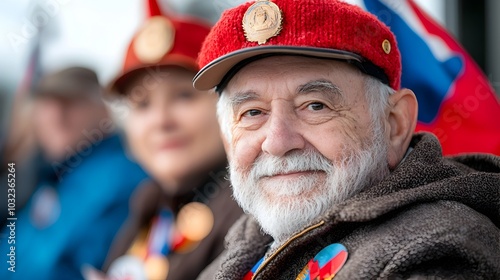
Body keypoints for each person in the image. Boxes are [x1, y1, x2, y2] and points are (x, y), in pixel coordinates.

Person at [192, 0, 500, 279]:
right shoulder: (245, 244)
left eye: (315, 105)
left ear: (394, 125)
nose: (277, 142)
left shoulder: (439, 252)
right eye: (253, 112)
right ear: (227, 137)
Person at [84, 4, 243, 280]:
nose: (161, 121)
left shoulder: (252, 213)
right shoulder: (148, 205)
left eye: (184, 96)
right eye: (142, 104)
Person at [0, 66, 149, 280]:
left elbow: (81, 269)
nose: (56, 117)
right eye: (46, 105)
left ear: (103, 110)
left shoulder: (124, 179)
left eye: (70, 103)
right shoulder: (53, 177)